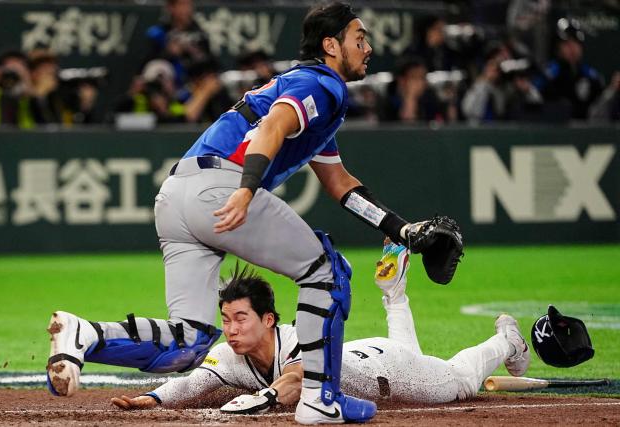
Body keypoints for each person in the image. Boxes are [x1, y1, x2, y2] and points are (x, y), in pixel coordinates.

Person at [48, 2, 460, 424]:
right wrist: (246, 190)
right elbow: (271, 127)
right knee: (326, 271)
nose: (368, 48)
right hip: (222, 187)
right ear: (331, 45)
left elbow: (341, 185)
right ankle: (321, 398)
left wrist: (402, 229)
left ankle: (87, 335)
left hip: (175, 196)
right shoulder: (323, 85)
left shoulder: (306, 93)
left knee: (190, 342)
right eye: (360, 38)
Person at [110, 241, 530, 415]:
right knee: (405, 344)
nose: (230, 329)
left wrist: (266, 396)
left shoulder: (297, 337)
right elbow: (194, 383)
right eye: (226, 319)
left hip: (391, 375)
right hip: (368, 350)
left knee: (457, 382)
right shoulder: (231, 354)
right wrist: (150, 398)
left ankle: (505, 340)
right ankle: (394, 294)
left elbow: (296, 379)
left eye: (241, 318)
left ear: (269, 320)